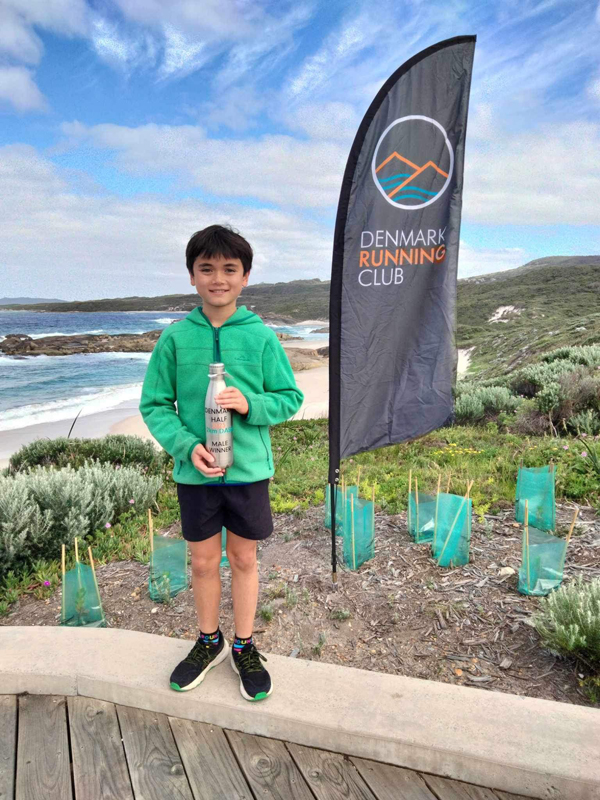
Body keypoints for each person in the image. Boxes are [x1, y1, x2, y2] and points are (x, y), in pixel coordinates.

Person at [139, 224, 304, 701]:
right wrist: (186, 445)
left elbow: (289, 397)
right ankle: (209, 641)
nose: (218, 278)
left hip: (248, 472)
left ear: (245, 277)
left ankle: (244, 645)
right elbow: (155, 404)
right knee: (203, 562)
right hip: (196, 475)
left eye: (229, 269)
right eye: (206, 268)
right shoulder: (175, 339)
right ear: (192, 276)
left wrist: (251, 404)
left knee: (244, 559)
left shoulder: (261, 337)